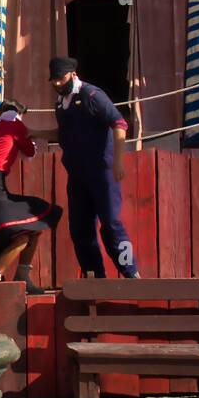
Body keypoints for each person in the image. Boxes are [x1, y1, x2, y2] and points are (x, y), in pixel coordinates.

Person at [49, 56, 140, 278]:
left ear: (72, 74)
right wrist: (33, 132)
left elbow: (119, 124)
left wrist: (118, 160)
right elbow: (63, 134)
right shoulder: (61, 104)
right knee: (80, 229)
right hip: (78, 175)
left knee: (111, 224)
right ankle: (94, 277)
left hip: (101, 172)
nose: (58, 84)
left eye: (61, 79)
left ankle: (132, 273)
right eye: (54, 80)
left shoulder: (92, 95)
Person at [0, 100, 61, 293]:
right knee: (24, 234)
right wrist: (27, 136)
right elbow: (30, 151)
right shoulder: (15, 125)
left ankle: (22, 276)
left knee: (34, 229)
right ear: (18, 113)